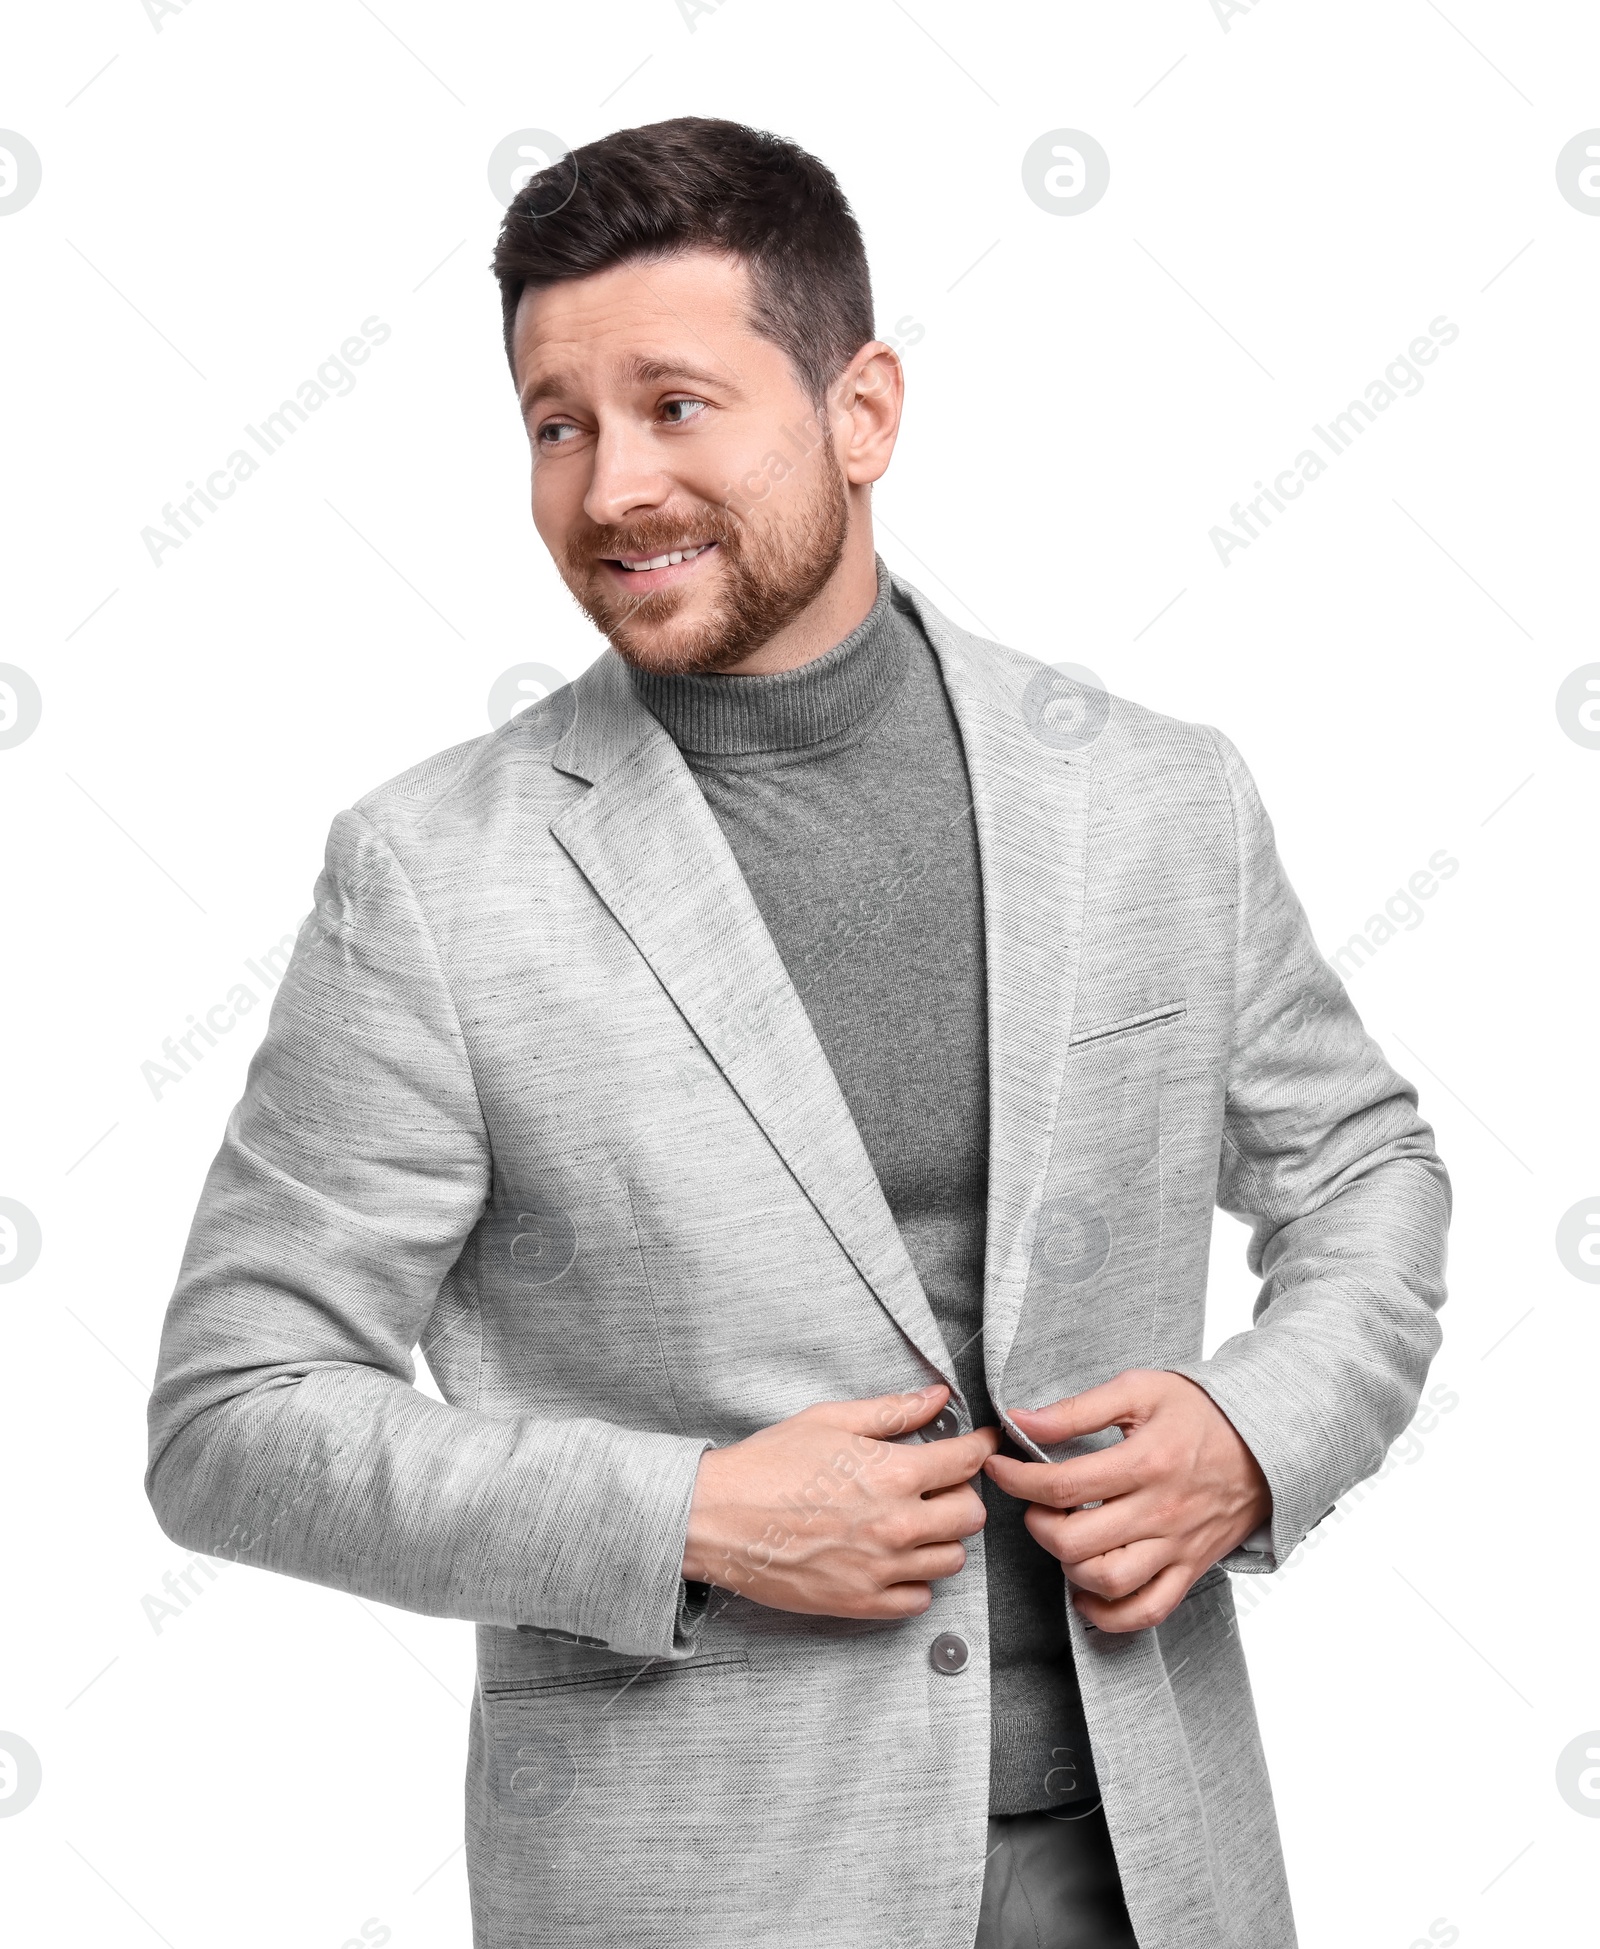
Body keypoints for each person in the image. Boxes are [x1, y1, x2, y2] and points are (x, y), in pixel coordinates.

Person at [146, 116, 1451, 1949]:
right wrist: (683, 1514)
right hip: (704, 1893)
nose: (610, 488)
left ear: (863, 412)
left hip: (1155, 1866)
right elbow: (232, 1416)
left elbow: (1364, 1163)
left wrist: (1258, 1429)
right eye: (557, 422)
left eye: (676, 404)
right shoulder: (434, 878)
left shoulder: (1152, 795)